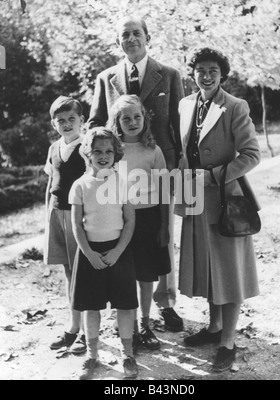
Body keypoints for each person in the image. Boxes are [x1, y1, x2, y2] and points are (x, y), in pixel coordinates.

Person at [88, 15, 184, 332]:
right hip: (118, 173)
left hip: (158, 166)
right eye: (125, 34)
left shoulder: (169, 75)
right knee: (122, 235)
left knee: (160, 236)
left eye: (137, 33)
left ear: (147, 37)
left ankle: (165, 303)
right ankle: (125, 304)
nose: (131, 38)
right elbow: (94, 123)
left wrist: (181, 169)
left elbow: (179, 126)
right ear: (119, 41)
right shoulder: (106, 78)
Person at [176, 47, 261, 372]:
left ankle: (227, 341)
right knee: (209, 270)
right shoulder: (186, 104)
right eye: (200, 69)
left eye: (213, 70)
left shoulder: (235, 106)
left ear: (222, 74)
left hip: (226, 202)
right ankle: (213, 328)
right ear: (193, 72)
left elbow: (251, 154)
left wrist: (212, 176)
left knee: (230, 271)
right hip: (195, 200)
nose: (206, 75)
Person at [69, 127, 138, 379]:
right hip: (90, 253)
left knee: (125, 305)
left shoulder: (123, 182)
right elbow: (76, 225)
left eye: (109, 151)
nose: (103, 156)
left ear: (116, 153)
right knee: (90, 306)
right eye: (97, 151)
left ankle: (128, 354)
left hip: (118, 251)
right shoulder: (80, 186)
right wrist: (89, 253)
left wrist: (118, 250)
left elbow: (130, 221)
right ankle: (92, 355)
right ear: (87, 153)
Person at [108, 94, 171, 351]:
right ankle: (129, 325)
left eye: (137, 117)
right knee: (125, 275)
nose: (132, 122)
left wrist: (165, 226)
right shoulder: (112, 151)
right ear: (117, 121)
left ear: (144, 118)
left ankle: (145, 323)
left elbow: (164, 191)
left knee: (146, 276)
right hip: (120, 220)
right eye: (126, 118)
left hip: (148, 220)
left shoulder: (153, 151)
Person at [44, 96, 86, 354]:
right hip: (57, 213)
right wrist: (47, 213)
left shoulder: (87, 147)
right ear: (54, 124)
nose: (67, 124)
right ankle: (73, 326)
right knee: (68, 272)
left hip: (78, 217)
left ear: (82, 120)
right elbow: (51, 184)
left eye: (72, 119)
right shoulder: (54, 148)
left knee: (83, 275)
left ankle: (86, 332)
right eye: (61, 121)